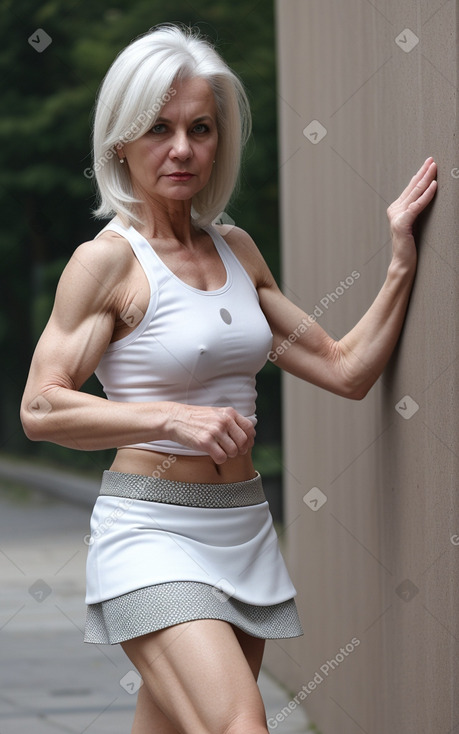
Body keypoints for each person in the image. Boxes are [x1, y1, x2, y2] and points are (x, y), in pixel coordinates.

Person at [20, 23, 437, 734]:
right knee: (241, 724)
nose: (181, 149)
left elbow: (344, 369)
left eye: (200, 128)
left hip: (241, 530)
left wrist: (400, 259)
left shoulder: (237, 251)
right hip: (150, 534)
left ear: (220, 141)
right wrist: (169, 418)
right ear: (120, 141)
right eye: (158, 128)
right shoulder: (108, 262)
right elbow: (40, 408)